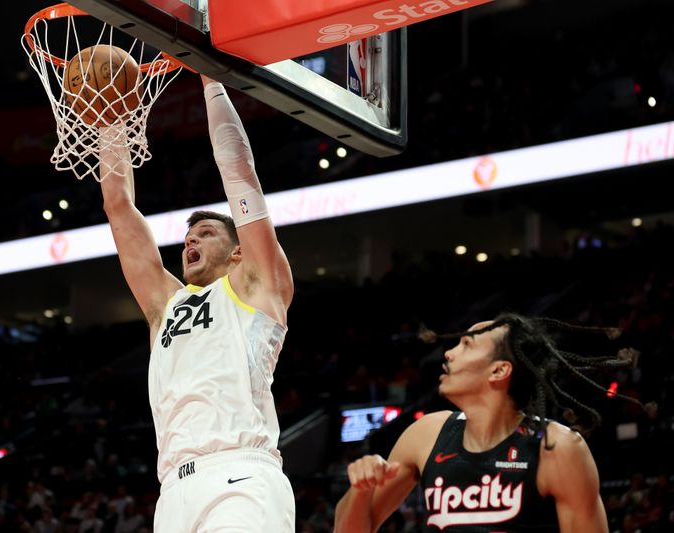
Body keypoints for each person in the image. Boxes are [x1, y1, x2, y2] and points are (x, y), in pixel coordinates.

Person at [98, 75, 295, 531]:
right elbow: (118, 206)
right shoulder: (165, 304)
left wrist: (211, 80)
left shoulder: (257, 287)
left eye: (206, 234)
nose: (191, 242)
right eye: (188, 237)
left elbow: (239, 173)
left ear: (238, 250)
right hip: (173, 491)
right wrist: (109, 118)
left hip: (241, 476)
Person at [334, 313, 649, 532]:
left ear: (499, 371)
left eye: (467, 344)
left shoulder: (558, 448)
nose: (448, 353)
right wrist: (361, 490)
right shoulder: (426, 434)